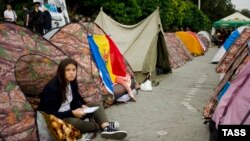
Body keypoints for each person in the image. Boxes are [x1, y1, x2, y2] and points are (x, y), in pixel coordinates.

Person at [38, 58, 127, 140]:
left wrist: (82, 105)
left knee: (97, 105)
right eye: (68, 70)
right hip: (60, 117)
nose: (71, 73)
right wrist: (72, 113)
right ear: (61, 72)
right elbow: (50, 113)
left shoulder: (72, 82)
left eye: (74, 70)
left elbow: (76, 98)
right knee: (74, 122)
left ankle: (106, 127)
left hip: (72, 110)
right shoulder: (52, 88)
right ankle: (103, 126)